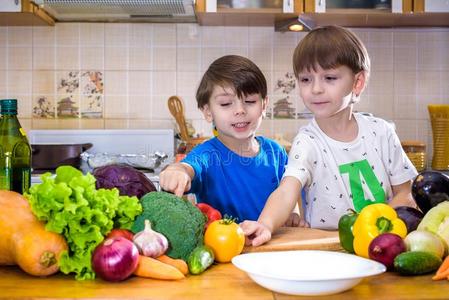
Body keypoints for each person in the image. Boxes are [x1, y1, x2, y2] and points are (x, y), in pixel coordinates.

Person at [240, 25, 418, 246]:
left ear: (357, 82)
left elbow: (406, 193)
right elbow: (287, 191)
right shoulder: (307, 142)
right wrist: (265, 224)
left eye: (330, 78)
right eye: (306, 79)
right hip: (327, 247)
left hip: (381, 245)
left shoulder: (381, 132)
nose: (315, 89)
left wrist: (376, 232)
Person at [159, 55, 297, 223]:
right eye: (225, 104)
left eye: (250, 101)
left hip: (273, 247)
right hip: (226, 248)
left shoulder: (276, 152)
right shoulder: (207, 154)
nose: (240, 110)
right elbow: (187, 167)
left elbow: (290, 193)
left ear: (264, 105)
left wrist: (293, 215)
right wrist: (177, 171)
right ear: (208, 112)